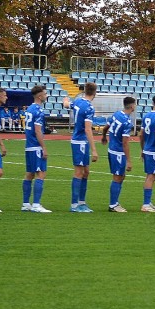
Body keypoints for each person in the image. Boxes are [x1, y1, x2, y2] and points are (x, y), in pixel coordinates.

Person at [101, 96, 136, 212]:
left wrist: (104, 137)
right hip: (118, 153)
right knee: (117, 177)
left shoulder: (116, 114)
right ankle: (113, 205)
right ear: (132, 106)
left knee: (121, 176)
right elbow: (125, 143)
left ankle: (115, 202)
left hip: (111, 149)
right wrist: (129, 161)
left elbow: (106, 127)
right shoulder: (127, 121)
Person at [22, 85, 52, 213]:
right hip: (36, 146)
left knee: (29, 174)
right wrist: (43, 147)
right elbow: (38, 130)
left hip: (29, 146)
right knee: (41, 174)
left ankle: (25, 203)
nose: (46, 95)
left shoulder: (29, 109)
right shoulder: (38, 111)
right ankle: (36, 204)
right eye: (45, 94)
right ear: (40, 96)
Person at [70, 82, 99, 213]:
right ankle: (74, 204)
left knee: (86, 172)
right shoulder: (89, 108)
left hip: (81, 142)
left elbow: (68, 105)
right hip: (80, 142)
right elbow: (88, 129)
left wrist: (65, 102)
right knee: (79, 172)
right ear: (95, 92)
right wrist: (94, 149)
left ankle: (82, 202)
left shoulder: (77, 101)